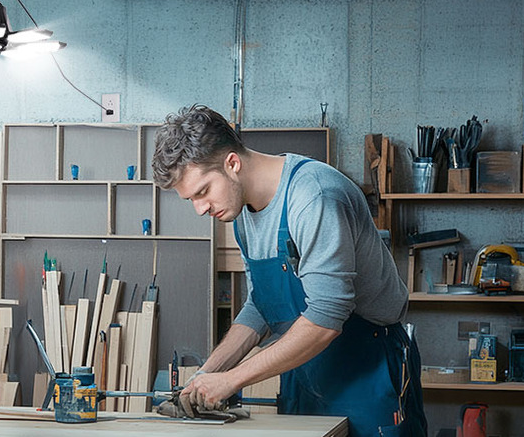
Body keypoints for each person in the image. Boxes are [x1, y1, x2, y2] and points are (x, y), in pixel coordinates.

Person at [152, 105, 427, 436]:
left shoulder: (314, 197)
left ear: (232, 163)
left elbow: (326, 319)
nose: (200, 209)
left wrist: (231, 380)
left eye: (202, 192)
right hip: (304, 372)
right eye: (190, 200)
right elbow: (261, 306)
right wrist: (207, 374)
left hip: (367, 371)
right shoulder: (241, 214)